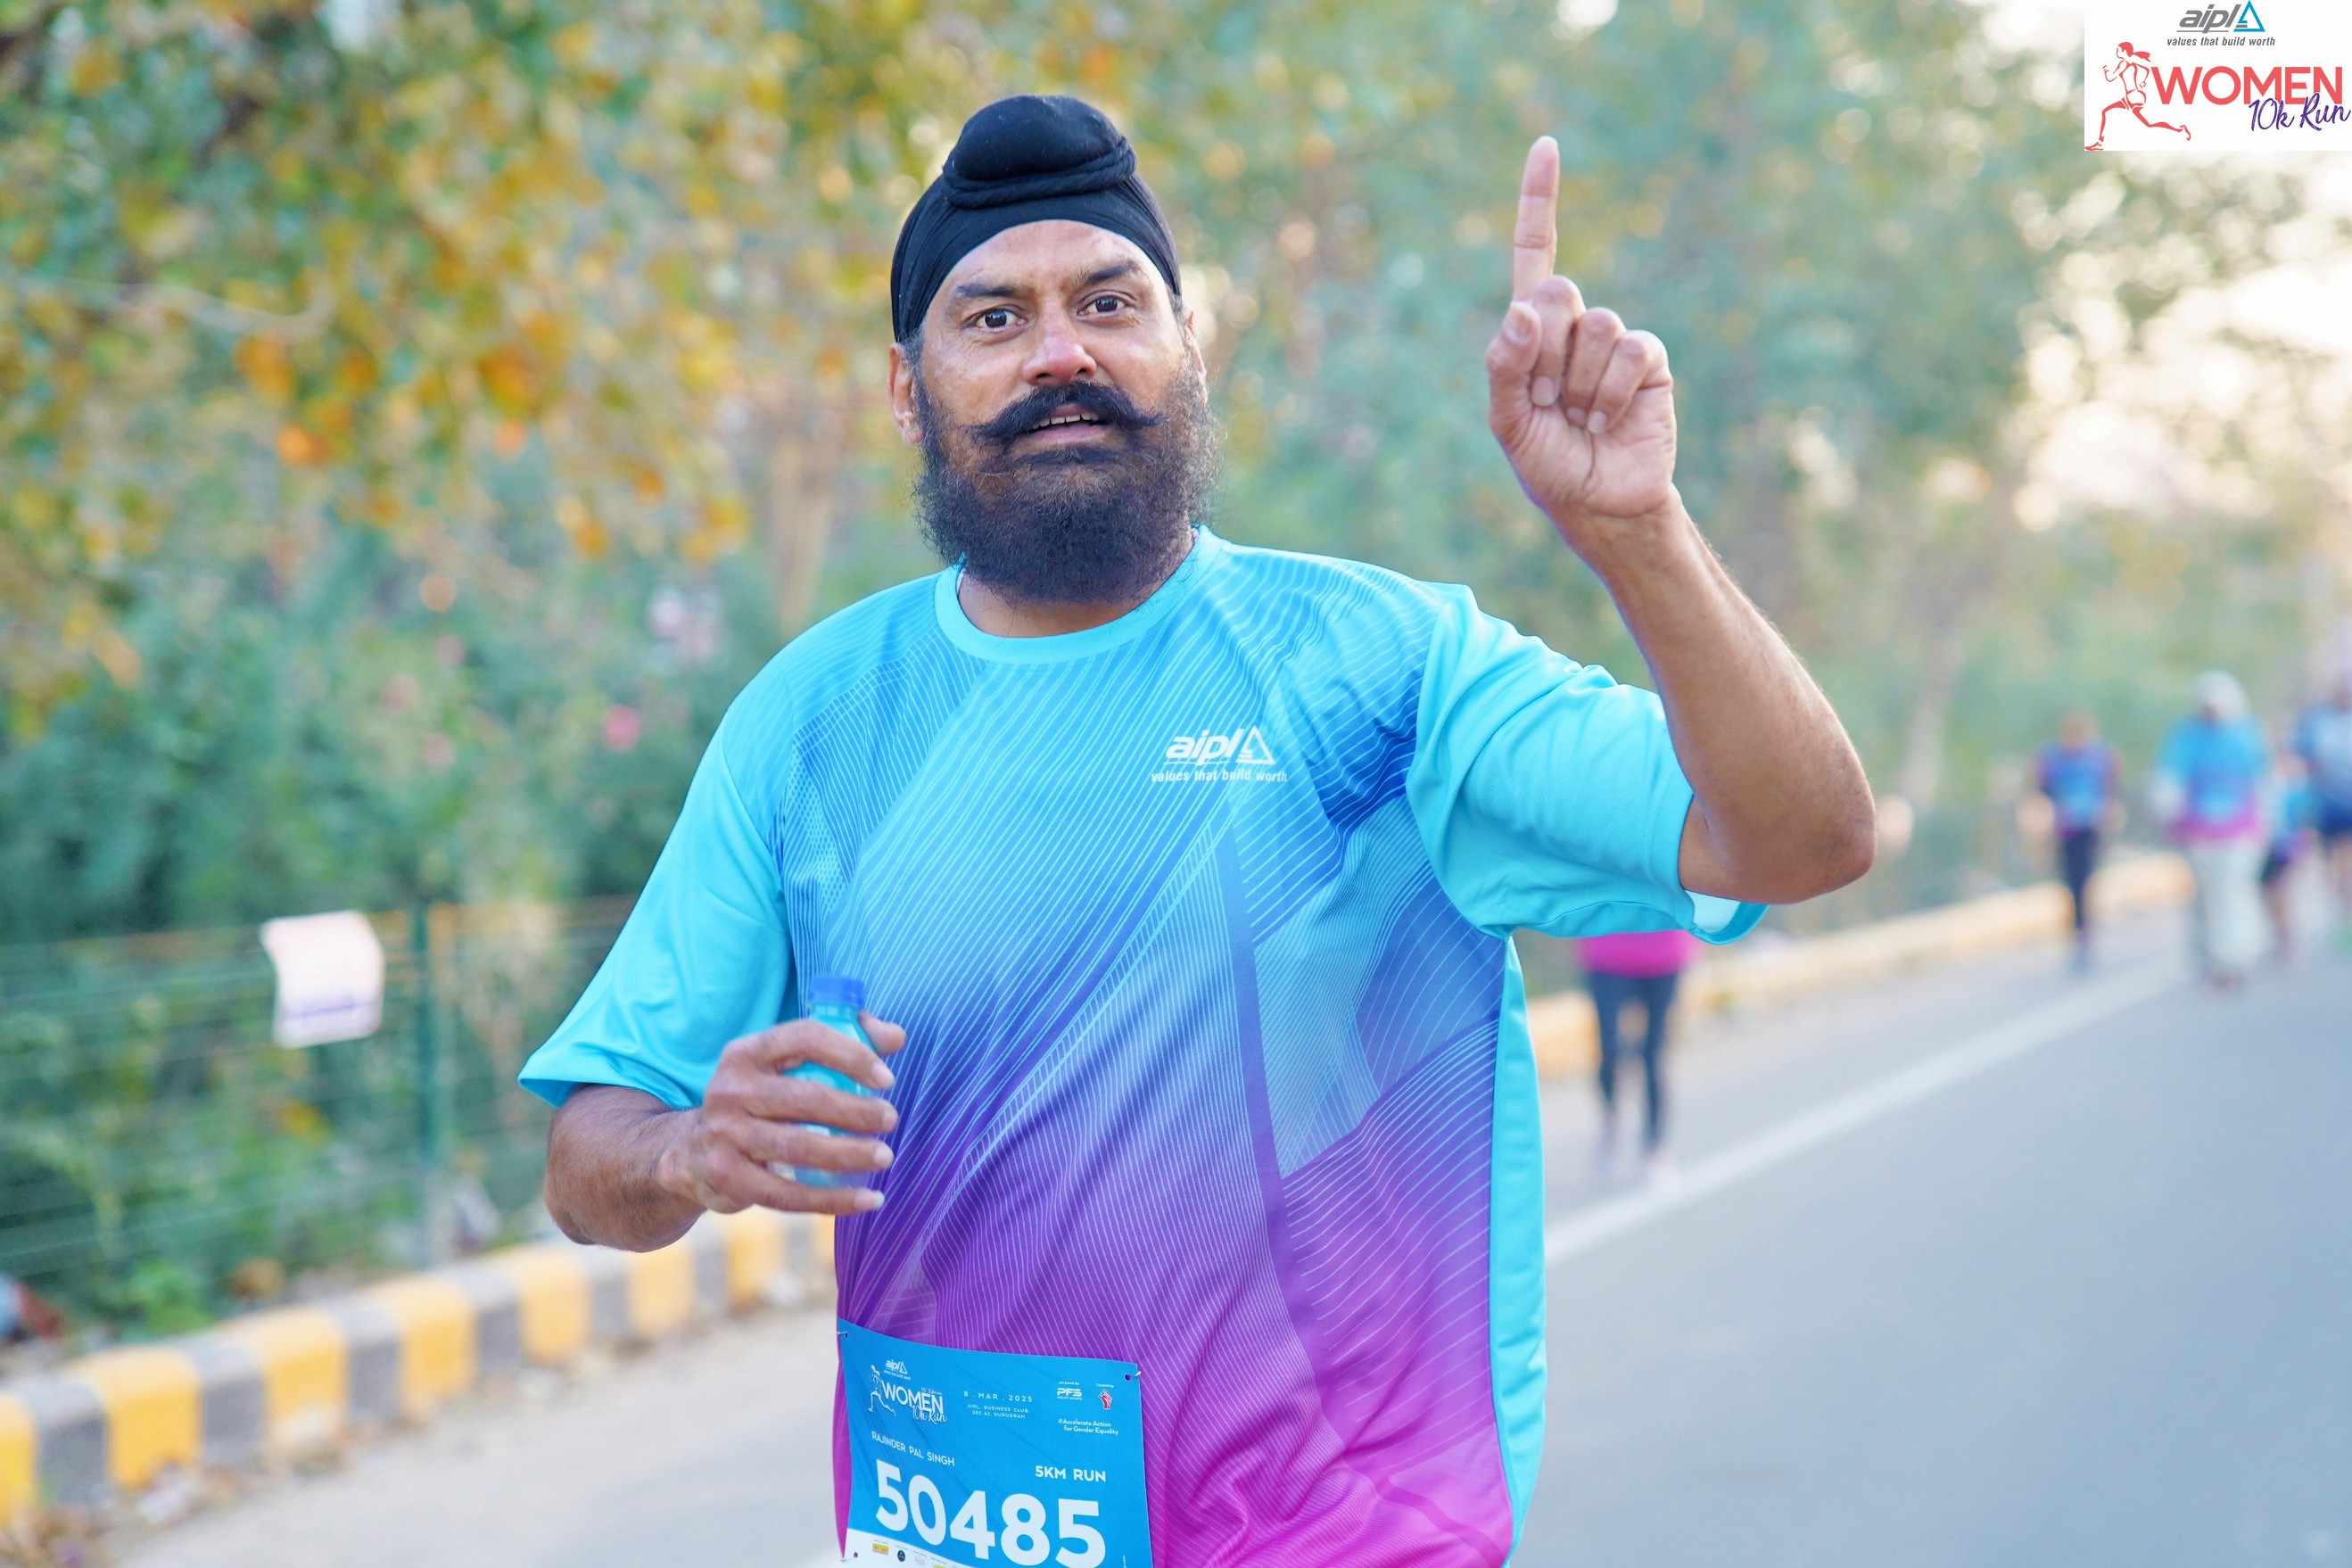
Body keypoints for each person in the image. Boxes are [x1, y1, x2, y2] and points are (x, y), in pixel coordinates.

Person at [520, 97, 1875, 1566]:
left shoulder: (1382, 669)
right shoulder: (810, 719)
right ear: (908, 391)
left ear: (1191, 347)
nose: (1060, 353)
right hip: (953, 1530)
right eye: (994, 317)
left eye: (1110, 303)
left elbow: (1802, 836)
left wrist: (1635, 530)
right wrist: (693, 1150)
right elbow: (589, 1157)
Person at [2152, 671, 2269, 990]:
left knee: (2233, 892)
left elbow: (2262, 782)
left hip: (2240, 831)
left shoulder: (2245, 735)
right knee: (2206, 897)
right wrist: (2168, 814)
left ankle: (2234, 956)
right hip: (2199, 833)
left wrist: (2267, 822)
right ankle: (2211, 955)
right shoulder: (2186, 737)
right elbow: (2169, 780)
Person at [1580, 927, 1698, 1180]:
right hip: (1607, 952)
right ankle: (1612, 1120)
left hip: (1664, 953)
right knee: (1609, 1050)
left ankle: (1655, 1146)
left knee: (1653, 1054)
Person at [2034, 712, 2122, 969]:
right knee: (2070, 882)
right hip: (2065, 830)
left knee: (2085, 880)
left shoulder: (2098, 757)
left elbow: (2111, 786)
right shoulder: (2054, 759)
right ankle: (2078, 929)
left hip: (2090, 828)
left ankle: (2084, 930)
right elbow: (2043, 789)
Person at [2292, 673, 2352, 936]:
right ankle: (2342, 910)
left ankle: (2347, 910)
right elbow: (2302, 759)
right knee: (2334, 862)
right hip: (2327, 804)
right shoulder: (2318, 720)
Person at [2260, 752, 2317, 962]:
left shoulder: (2292, 786)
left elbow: (2304, 819)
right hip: (2264, 844)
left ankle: (2286, 938)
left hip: (2281, 845)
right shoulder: (2268, 781)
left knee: (2280, 892)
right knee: (2274, 894)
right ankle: (2283, 936)